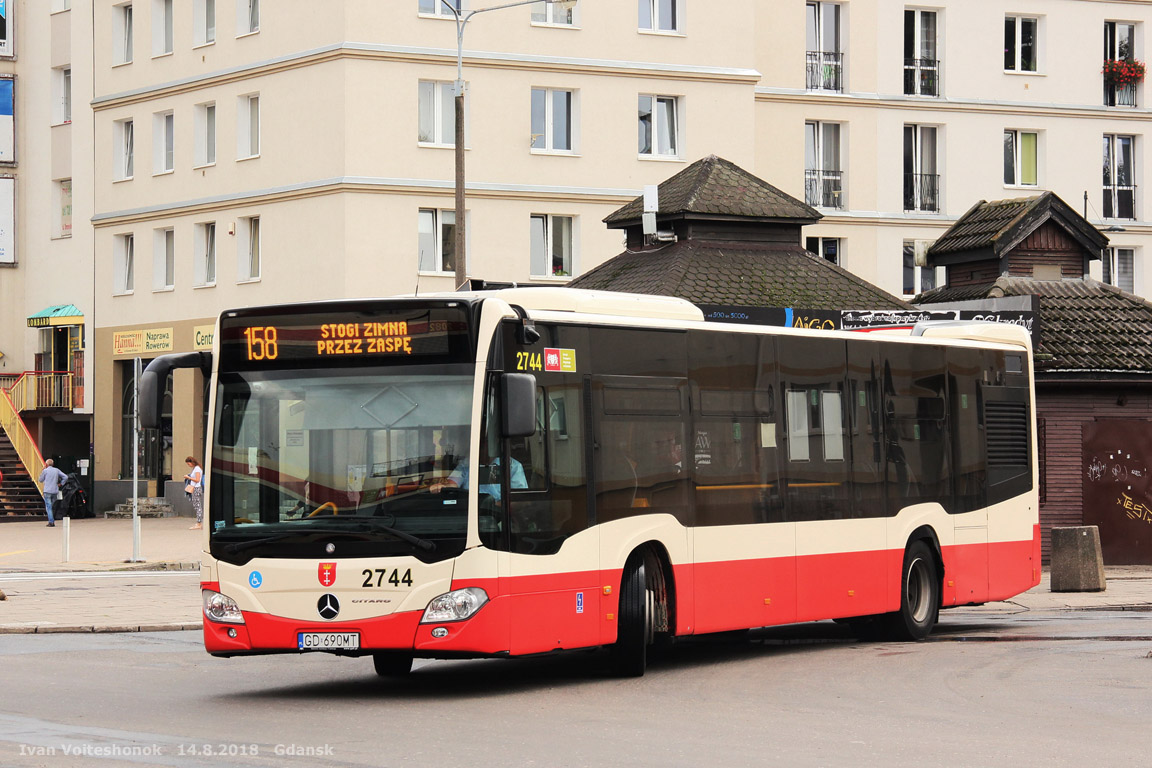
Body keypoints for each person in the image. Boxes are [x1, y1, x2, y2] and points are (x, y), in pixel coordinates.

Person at [430, 448, 526, 501]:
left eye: (486, 441)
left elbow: (520, 499)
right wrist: (441, 487)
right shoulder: (466, 464)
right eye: (482, 442)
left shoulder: (512, 466)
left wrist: (501, 505)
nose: (483, 446)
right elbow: (452, 484)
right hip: (469, 512)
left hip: (500, 516)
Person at [38, 458, 68, 527]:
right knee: (52, 506)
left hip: (47, 491)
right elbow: (65, 477)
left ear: (46, 464)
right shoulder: (56, 470)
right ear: (52, 464)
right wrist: (61, 484)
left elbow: (40, 480)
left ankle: (51, 522)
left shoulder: (45, 471)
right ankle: (52, 519)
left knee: (48, 507)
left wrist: (42, 471)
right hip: (55, 491)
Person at [184, 456, 204, 530]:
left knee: (197, 506)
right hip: (195, 488)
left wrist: (188, 477)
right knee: (196, 505)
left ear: (192, 462)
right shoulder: (196, 468)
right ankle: (198, 522)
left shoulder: (197, 469)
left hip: (196, 488)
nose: (189, 465)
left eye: (189, 464)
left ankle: (199, 523)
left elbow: (197, 479)